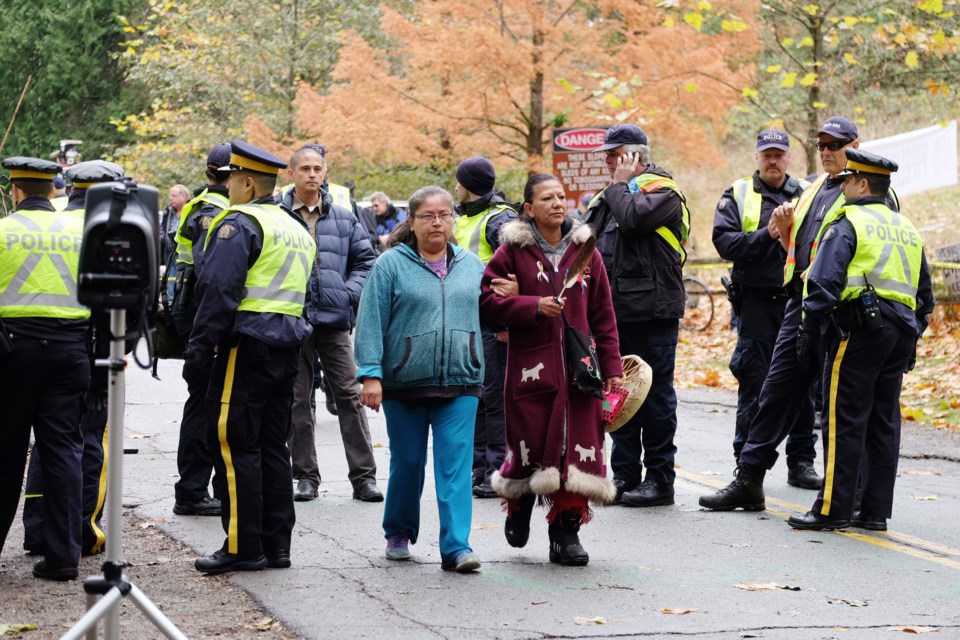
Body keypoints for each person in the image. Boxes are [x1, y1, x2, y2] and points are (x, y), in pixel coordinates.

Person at [699, 115, 899, 511]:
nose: (826, 152)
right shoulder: (813, 189)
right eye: (821, 145)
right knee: (775, 393)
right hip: (800, 304)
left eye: (835, 145)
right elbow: (798, 248)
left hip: (842, 309)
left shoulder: (865, 190)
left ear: (854, 145)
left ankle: (844, 497)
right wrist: (785, 232)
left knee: (837, 405)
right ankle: (749, 478)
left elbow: (862, 249)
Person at [185, 140, 315, 575]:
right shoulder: (295, 227)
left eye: (230, 181)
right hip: (287, 347)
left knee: (236, 445)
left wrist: (199, 350)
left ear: (244, 181)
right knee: (272, 447)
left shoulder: (238, 223)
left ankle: (242, 547)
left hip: (245, 346)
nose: (228, 188)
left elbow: (217, 291)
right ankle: (277, 546)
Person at [479, 174, 622, 566]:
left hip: (581, 371)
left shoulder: (585, 250)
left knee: (580, 449)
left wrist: (611, 366)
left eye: (561, 196)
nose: (558, 203)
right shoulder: (511, 252)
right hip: (532, 368)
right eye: (547, 198)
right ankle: (520, 505)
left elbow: (602, 314)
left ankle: (566, 532)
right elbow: (487, 302)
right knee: (531, 447)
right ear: (529, 208)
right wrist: (530, 306)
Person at [788, 149, 934, 531]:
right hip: (899, 333)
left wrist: (807, 329)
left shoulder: (847, 221)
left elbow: (823, 283)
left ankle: (831, 509)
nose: (843, 186)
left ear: (863, 184)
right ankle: (873, 512)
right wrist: (912, 335)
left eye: (848, 180)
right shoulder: (907, 228)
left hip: (858, 331)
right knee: (883, 422)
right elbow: (925, 297)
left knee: (842, 418)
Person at [354, 185, 484, 573]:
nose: (437, 222)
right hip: (404, 383)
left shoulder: (472, 265)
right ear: (411, 221)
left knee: (455, 466)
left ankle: (457, 547)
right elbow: (370, 322)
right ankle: (398, 531)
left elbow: (492, 312)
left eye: (445, 214)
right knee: (408, 462)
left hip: (461, 381)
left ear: (453, 220)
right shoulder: (390, 264)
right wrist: (370, 375)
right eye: (428, 215)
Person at [21, 160, 125, 559]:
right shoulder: (108, 234)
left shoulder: (55, 225)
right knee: (83, 447)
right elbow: (120, 308)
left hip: (34, 345)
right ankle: (83, 533)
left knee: (46, 449)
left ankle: (37, 531)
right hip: (88, 356)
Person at [582, 124, 689, 507]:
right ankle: (625, 476)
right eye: (608, 156)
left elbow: (632, 219)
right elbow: (584, 247)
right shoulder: (606, 196)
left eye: (615, 155)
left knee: (656, 396)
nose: (609, 162)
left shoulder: (663, 191)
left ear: (634, 156)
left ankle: (660, 480)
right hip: (612, 313)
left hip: (653, 312)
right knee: (617, 392)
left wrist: (620, 184)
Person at [711, 129, 821, 489]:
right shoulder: (739, 193)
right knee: (754, 383)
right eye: (766, 154)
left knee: (803, 384)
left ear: (789, 156)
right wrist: (767, 234)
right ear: (757, 157)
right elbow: (724, 242)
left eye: (779, 154)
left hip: (798, 303)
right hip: (757, 304)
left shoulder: (808, 193)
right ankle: (745, 467)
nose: (773, 160)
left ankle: (802, 461)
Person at [0, 156, 91, 581]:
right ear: (54, 189)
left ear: (15, 190)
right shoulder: (79, 232)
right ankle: (64, 556)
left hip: (12, 352)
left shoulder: (3, 230)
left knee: (5, 453)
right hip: (70, 350)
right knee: (63, 453)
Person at [279, 145, 382, 503]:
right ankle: (306, 476)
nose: (311, 174)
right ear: (289, 174)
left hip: (334, 321)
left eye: (317, 168)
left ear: (325, 173)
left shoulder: (342, 216)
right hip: (291, 321)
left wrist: (347, 294)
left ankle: (364, 478)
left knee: (350, 396)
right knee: (297, 400)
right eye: (304, 168)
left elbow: (366, 262)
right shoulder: (276, 216)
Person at [169, 142, 232, 517]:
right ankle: (191, 491)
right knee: (204, 405)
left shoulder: (202, 204)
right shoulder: (211, 210)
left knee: (207, 403)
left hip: (196, 313)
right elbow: (214, 275)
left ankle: (198, 488)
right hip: (201, 316)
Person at [451, 155, 517, 498]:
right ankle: (479, 467)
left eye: (459, 180)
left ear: (469, 185)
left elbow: (513, 272)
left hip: (493, 323)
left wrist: (502, 320)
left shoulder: (500, 219)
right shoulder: (464, 217)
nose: (455, 185)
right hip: (469, 321)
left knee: (494, 397)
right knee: (474, 395)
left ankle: (497, 469)